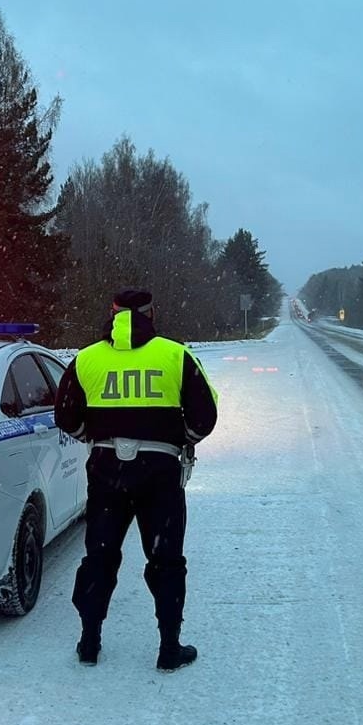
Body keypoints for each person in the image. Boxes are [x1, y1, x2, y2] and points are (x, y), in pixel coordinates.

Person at [55, 287, 218, 671]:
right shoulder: (175, 355)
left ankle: (89, 642)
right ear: (152, 313)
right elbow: (204, 417)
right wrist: (178, 440)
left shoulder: (86, 359)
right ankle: (168, 648)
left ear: (111, 314)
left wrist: (98, 440)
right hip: (159, 473)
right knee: (166, 559)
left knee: (100, 555)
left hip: (106, 469)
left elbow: (66, 416)